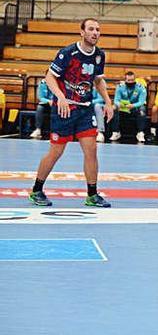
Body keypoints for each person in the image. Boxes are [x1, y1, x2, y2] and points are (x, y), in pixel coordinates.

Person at [28, 18, 114, 208]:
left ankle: (92, 195)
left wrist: (108, 102)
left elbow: (98, 80)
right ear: (82, 32)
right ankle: (36, 190)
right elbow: (49, 76)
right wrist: (61, 97)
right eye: (91, 29)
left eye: (98, 30)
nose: (95, 33)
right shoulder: (68, 53)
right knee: (56, 151)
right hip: (65, 109)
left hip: (85, 109)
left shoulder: (99, 55)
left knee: (91, 150)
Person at [109, 71, 147, 143]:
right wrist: (119, 104)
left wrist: (133, 105)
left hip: (135, 108)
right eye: (128, 80)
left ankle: (140, 133)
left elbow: (142, 101)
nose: (130, 82)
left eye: (132, 80)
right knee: (114, 108)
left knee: (142, 109)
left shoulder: (140, 87)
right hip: (123, 108)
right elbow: (116, 100)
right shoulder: (120, 87)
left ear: (135, 79)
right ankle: (116, 132)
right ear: (125, 80)